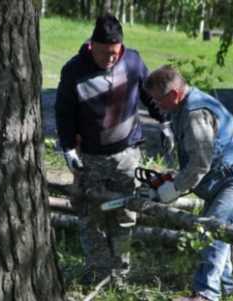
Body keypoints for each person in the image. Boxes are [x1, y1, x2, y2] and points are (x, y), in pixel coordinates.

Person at [55, 14, 173, 285]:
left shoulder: (132, 61)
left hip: (127, 154)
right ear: (91, 46)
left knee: (124, 214)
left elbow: (149, 94)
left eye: (115, 53)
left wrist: (164, 122)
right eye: (105, 53)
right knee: (90, 216)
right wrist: (68, 149)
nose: (111, 58)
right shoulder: (74, 70)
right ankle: (98, 272)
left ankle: (119, 274)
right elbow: (63, 113)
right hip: (90, 157)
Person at [142, 65, 233, 301]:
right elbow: (196, 157)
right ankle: (226, 286)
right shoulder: (181, 107)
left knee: (212, 229)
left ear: (173, 95)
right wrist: (172, 178)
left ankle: (205, 295)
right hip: (225, 174)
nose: (155, 105)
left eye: (158, 100)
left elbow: (200, 163)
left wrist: (173, 190)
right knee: (220, 231)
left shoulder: (194, 113)